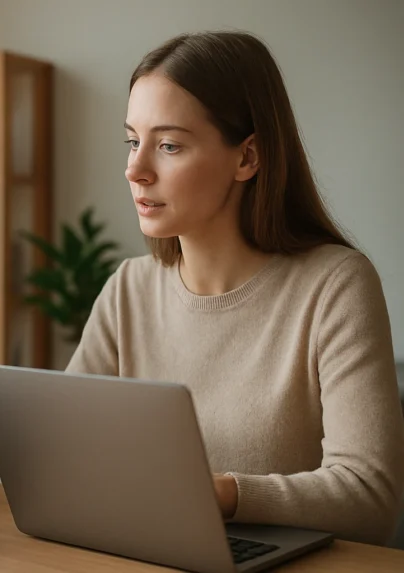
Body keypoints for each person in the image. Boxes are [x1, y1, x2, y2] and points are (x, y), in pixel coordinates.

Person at [67, 30, 404, 546]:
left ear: (248, 157)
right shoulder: (127, 289)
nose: (135, 169)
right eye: (134, 141)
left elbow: (370, 496)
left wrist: (222, 494)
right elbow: (62, 454)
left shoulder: (336, 285)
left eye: (169, 145)